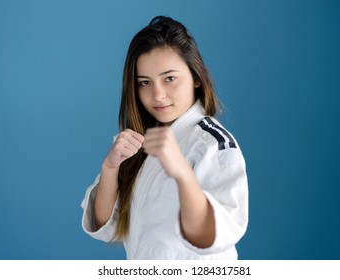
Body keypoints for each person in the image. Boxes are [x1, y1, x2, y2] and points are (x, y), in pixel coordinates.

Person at [81, 16, 248, 260]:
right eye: (145, 83)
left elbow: (212, 236)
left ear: (197, 77)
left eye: (170, 78)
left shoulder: (214, 144)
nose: (158, 94)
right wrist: (110, 167)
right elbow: (107, 226)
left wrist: (182, 173)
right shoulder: (141, 141)